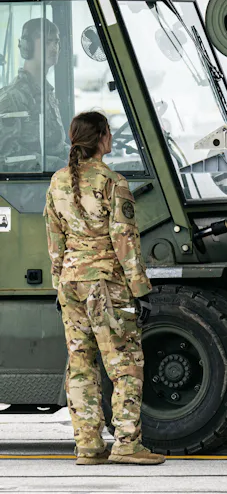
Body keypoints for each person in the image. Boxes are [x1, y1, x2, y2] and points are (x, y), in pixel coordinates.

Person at [44, 111, 164, 465]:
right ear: (101, 139)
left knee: (80, 364)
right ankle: (127, 442)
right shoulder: (113, 181)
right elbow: (124, 238)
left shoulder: (58, 181)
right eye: (108, 133)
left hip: (70, 283)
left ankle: (88, 445)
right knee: (124, 361)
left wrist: (58, 283)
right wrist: (140, 288)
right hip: (105, 284)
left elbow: (55, 239)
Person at [0, 17, 69, 170]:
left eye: (56, 42)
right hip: (28, 190)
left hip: (53, 184)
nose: (54, 48)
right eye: (47, 42)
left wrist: (74, 154)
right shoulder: (13, 97)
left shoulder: (47, 93)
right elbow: (6, 156)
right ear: (27, 47)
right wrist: (55, 164)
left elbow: (54, 143)